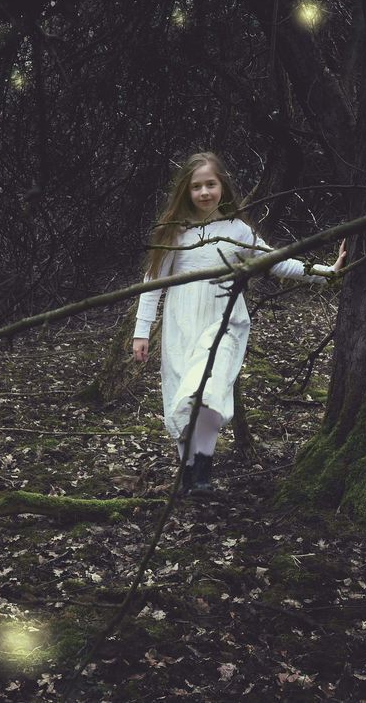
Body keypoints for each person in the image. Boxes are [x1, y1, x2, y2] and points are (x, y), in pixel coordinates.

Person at [131, 152, 346, 496]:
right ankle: (189, 472)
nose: (204, 192)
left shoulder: (237, 230)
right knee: (181, 395)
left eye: (210, 184)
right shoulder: (174, 232)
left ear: (223, 187)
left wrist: (326, 273)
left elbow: (276, 262)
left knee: (208, 390)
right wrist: (142, 332)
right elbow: (152, 280)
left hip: (223, 321)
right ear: (186, 190)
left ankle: (203, 465)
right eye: (196, 186)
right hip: (181, 324)